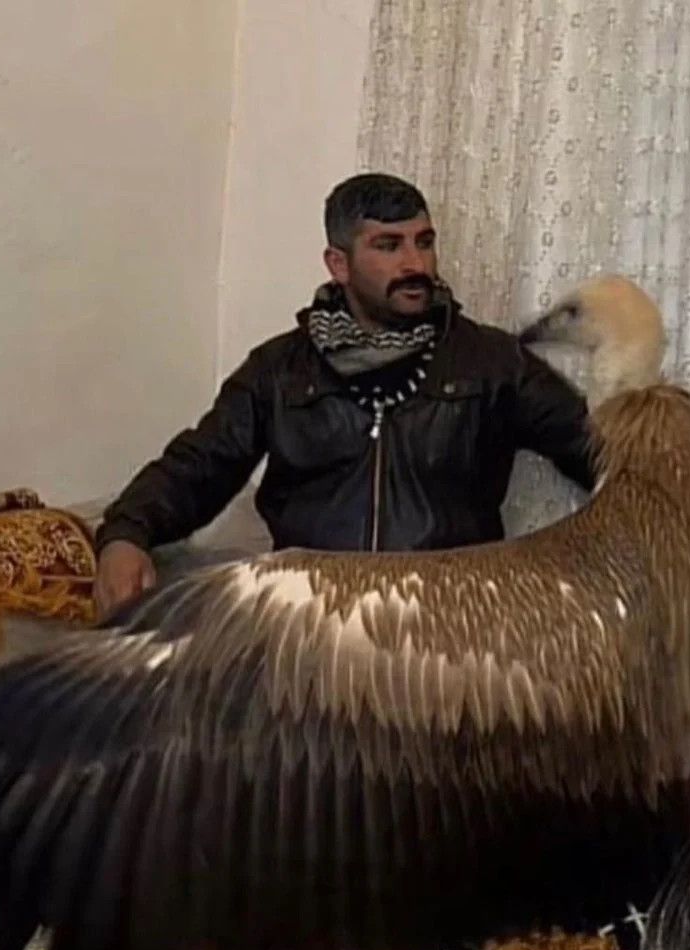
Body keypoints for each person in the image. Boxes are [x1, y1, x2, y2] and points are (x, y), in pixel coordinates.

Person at [92, 172, 596, 618]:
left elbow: (600, 450)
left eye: (424, 242)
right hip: (308, 622)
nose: (416, 264)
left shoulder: (492, 362)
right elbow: (199, 466)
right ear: (339, 264)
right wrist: (125, 534)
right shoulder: (279, 370)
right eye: (389, 246)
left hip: (443, 630)